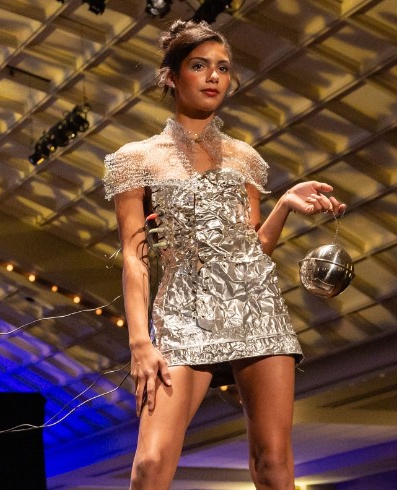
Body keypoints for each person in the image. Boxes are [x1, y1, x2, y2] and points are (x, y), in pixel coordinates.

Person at [103, 21, 346, 489]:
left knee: (275, 466)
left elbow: (251, 249)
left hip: (256, 308)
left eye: (223, 68)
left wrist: (286, 204)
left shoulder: (245, 158)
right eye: (199, 66)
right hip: (182, 312)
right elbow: (136, 258)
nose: (214, 77)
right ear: (171, 76)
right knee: (151, 464)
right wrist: (140, 343)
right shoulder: (134, 159)